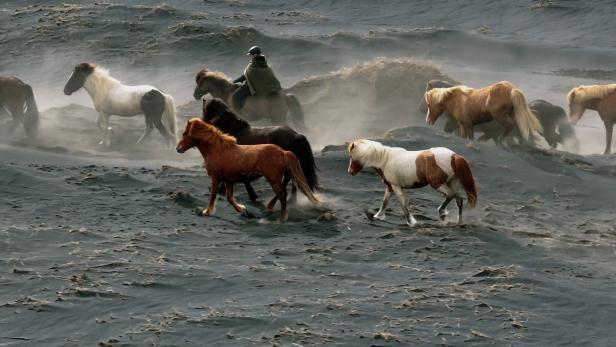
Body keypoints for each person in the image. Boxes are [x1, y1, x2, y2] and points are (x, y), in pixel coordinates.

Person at [232, 46, 282, 111]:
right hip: (265, 84)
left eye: (251, 55)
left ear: (255, 55)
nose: (250, 56)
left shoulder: (254, 63)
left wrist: (234, 81)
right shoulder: (263, 61)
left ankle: (237, 113)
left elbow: (247, 75)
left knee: (235, 97)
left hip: (255, 85)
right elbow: (252, 74)